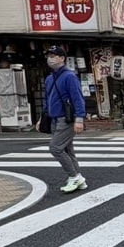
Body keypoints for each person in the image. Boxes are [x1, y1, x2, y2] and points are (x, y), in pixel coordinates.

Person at [37, 46, 87, 194]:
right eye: (48, 56)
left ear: (62, 58)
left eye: (54, 56)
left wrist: (79, 119)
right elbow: (46, 100)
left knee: (55, 148)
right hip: (54, 119)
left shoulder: (69, 77)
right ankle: (78, 178)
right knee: (67, 149)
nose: (50, 59)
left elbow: (78, 98)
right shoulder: (50, 78)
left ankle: (74, 176)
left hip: (67, 119)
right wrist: (42, 118)